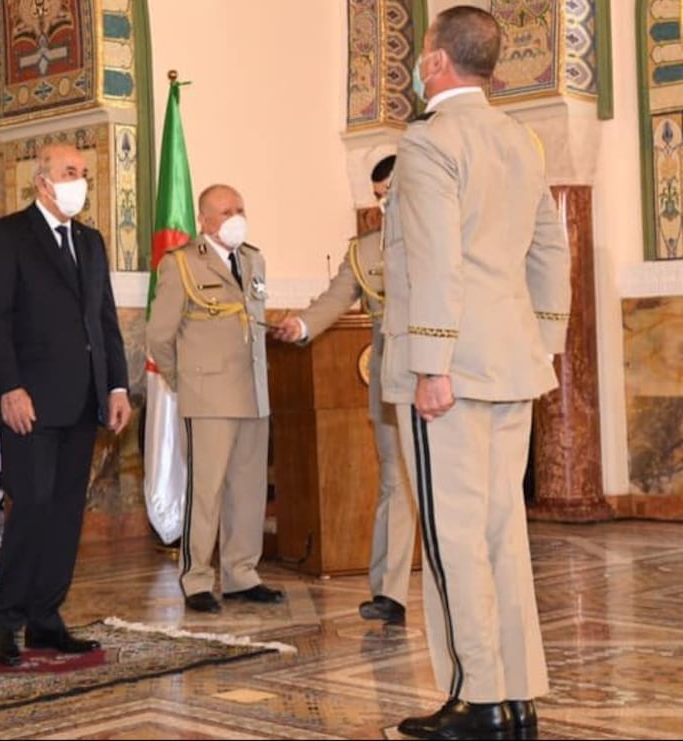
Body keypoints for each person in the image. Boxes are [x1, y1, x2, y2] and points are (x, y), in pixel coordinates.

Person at [380, 7, 571, 739]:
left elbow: (434, 261)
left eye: (424, 53)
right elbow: (550, 251)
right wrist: (542, 340)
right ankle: (518, 693)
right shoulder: (520, 138)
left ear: (436, 62)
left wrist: (430, 361)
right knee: (499, 531)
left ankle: (479, 698)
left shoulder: (430, 142)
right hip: (510, 364)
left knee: (452, 536)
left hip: (450, 374)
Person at [0, 142, 131, 667]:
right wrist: (8, 388)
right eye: (69, 172)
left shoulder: (90, 241)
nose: (79, 181)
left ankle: (46, 619)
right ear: (42, 181)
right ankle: (6, 620)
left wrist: (116, 386)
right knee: (32, 507)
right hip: (29, 404)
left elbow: (103, 319)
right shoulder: (5, 236)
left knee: (65, 514)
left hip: (84, 400)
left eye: (83, 173)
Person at [271, 155, 415, 627]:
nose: (385, 202)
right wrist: (301, 324)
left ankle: (459, 584)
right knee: (396, 483)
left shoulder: (448, 237)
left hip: (450, 379)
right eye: (379, 196)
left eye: (392, 190)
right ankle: (390, 593)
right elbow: (337, 296)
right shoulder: (366, 251)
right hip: (393, 385)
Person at [145, 184, 285, 614]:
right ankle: (197, 578)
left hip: (253, 394)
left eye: (240, 209)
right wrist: (183, 380)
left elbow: (253, 322)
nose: (235, 216)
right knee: (205, 494)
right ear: (204, 221)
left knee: (248, 491)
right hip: (207, 398)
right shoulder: (182, 264)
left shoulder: (253, 259)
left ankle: (242, 574)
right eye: (225, 211)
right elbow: (159, 336)